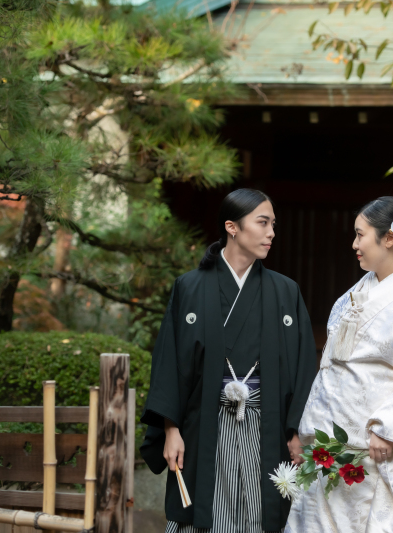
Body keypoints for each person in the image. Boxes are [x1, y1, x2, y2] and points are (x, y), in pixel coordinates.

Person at [140, 189, 317, 533]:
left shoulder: (285, 291)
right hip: (204, 424)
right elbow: (169, 364)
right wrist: (170, 429)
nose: (271, 233)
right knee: (206, 512)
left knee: (262, 514)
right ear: (232, 227)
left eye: (273, 225)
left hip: (266, 426)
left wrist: (296, 431)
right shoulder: (190, 287)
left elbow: (303, 366)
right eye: (262, 223)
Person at [285, 196, 393, 533]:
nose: (354, 244)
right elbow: (330, 369)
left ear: (390, 238)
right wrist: (306, 431)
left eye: (360, 235)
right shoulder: (357, 291)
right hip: (333, 436)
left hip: (375, 441)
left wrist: (390, 427)